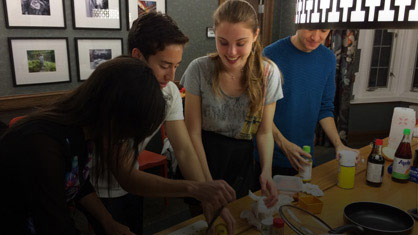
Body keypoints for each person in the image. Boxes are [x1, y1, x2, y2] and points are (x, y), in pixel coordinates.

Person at [0, 56, 235, 235]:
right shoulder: (42, 145)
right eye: (129, 132)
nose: (126, 140)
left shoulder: (84, 132)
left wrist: (107, 221)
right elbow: (55, 225)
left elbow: (78, 183)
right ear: (113, 113)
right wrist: (192, 189)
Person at [81, 12, 237, 234]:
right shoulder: (116, 91)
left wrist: (207, 197)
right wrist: (196, 190)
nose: (171, 76)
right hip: (95, 189)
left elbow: (183, 149)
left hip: (135, 183)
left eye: (176, 65)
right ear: (137, 55)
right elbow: (124, 176)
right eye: (164, 65)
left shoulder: (170, 92)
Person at [181, 0, 282, 223]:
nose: (232, 52)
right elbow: (193, 133)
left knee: (238, 220)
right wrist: (207, 185)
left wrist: (266, 171)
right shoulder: (198, 69)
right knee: (203, 221)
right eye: (223, 42)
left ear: (255, 35)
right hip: (203, 155)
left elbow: (264, 132)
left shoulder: (268, 73)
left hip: (241, 159)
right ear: (214, 34)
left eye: (241, 43)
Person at [257, 29, 358, 176]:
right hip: (268, 155)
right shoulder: (271, 54)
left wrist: (339, 144)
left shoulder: (328, 58)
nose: (316, 37)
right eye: (310, 29)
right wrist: (283, 143)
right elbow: (258, 109)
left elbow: (325, 108)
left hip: (305, 154)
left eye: (323, 31)